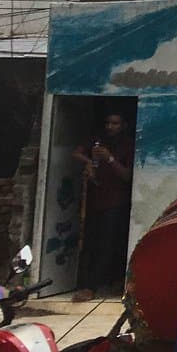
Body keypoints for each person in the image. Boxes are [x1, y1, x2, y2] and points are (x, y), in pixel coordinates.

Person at [72, 108, 134, 298]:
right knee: (90, 244)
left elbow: (128, 176)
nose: (110, 127)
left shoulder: (128, 145)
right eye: (108, 123)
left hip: (116, 202)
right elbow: (76, 153)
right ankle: (87, 286)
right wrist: (89, 162)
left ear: (123, 125)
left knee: (110, 245)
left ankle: (102, 284)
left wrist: (110, 158)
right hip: (95, 199)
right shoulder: (98, 140)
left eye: (115, 123)